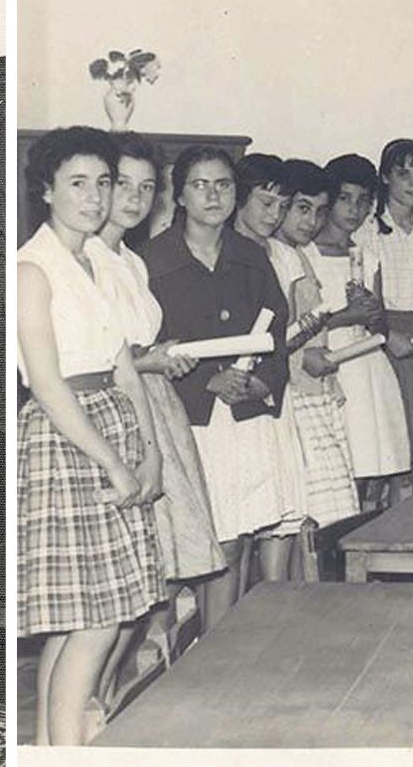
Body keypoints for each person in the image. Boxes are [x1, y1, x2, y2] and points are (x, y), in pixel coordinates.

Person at [13, 127, 164, 745]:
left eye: (104, 183)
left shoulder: (101, 260)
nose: (96, 197)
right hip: (66, 438)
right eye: (78, 183)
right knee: (98, 618)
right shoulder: (32, 268)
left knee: (79, 618)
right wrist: (112, 463)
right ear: (46, 191)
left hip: (113, 421)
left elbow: (124, 361)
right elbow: (47, 385)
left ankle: (50, 748)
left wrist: (149, 451)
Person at [89, 133, 226, 708]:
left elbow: (135, 344)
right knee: (123, 576)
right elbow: (94, 355)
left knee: (166, 563)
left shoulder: (131, 260)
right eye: (123, 184)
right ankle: (93, 698)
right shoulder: (84, 257)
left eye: (147, 188)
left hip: (157, 408)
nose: (135, 198)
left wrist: (160, 354)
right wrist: (150, 359)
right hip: (118, 410)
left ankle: (116, 692)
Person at [142, 145, 290, 622]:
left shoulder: (251, 256)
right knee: (193, 544)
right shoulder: (152, 260)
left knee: (240, 536)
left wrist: (262, 384)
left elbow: (277, 333)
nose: (213, 195)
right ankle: (181, 657)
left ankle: (221, 647)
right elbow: (144, 346)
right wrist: (208, 380)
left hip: (244, 416)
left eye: (223, 184)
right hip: (187, 419)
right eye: (200, 185)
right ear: (180, 196)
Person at [315, 154, 411, 508]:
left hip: (369, 365)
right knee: (341, 468)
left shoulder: (367, 256)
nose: (354, 209)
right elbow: (301, 324)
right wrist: (346, 314)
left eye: (363, 201)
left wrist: (371, 313)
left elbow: (379, 326)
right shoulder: (307, 253)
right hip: (332, 362)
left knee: (373, 469)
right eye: (345, 198)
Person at [228, 154, 307, 582]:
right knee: (237, 520)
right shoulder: (221, 250)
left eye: (282, 206)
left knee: (281, 509)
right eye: (265, 203)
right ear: (240, 200)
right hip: (232, 394)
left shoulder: (284, 256)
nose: (274, 216)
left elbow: (283, 333)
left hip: (274, 390)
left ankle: (272, 607)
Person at [272, 160, 362, 529]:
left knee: (332, 503)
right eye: (302, 209)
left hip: (316, 391)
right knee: (318, 510)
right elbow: (286, 336)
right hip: (295, 396)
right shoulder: (278, 257)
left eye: (319, 211)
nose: (310, 221)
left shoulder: (298, 255)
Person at [359, 138, 413, 494]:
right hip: (388, 341)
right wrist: (387, 336)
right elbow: (368, 302)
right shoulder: (368, 232)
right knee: (391, 448)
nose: (412, 183)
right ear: (385, 178)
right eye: (402, 174)